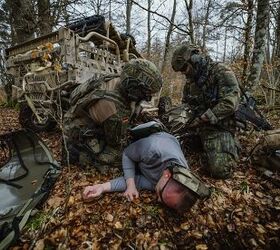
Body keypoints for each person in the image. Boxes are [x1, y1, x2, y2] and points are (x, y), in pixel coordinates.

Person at [83, 124, 209, 213]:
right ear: (167, 175)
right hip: (155, 137)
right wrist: (130, 185)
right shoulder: (153, 149)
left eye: (163, 202)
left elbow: (137, 181)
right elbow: (127, 154)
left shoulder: (175, 179)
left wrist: (101, 187)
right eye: (160, 194)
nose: (158, 198)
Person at [64, 59, 163, 170]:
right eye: (146, 93)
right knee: (121, 156)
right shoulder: (115, 108)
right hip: (78, 132)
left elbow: (134, 105)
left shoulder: (117, 80)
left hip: (79, 118)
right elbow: (115, 144)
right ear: (135, 86)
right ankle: (79, 155)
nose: (147, 97)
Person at [170, 43, 241, 179]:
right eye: (181, 70)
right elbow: (187, 104)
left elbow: (230, 103)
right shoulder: (190, 83)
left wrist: (204, 118)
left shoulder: (221, 71)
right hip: (197, 127)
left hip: (219, 127)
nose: (183, 72)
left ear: (195, 59)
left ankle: (231, 146)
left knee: (221, 170)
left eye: (184, 67)